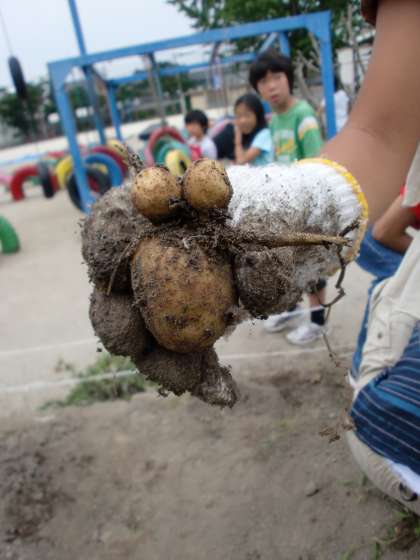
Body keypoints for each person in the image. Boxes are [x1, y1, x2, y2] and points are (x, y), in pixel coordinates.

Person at [248, 49, 327, 345]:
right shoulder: (275, 120)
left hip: (308, 206)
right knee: (289, 264)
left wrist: (312, 210)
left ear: (289, 79)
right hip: (287, 206)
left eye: (277, 77)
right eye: (263, 81)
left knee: (311, 265)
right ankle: (291, 308)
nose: (271, 86)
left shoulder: (302, 116)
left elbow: (317, 164)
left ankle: (317, 322)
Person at [233, 93, 273, 166]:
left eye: (247, 115)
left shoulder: (264, 134)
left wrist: (238, 142)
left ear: (258, 115)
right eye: (238, 116)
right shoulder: (249, 136)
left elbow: (241, 161)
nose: (242, 121)